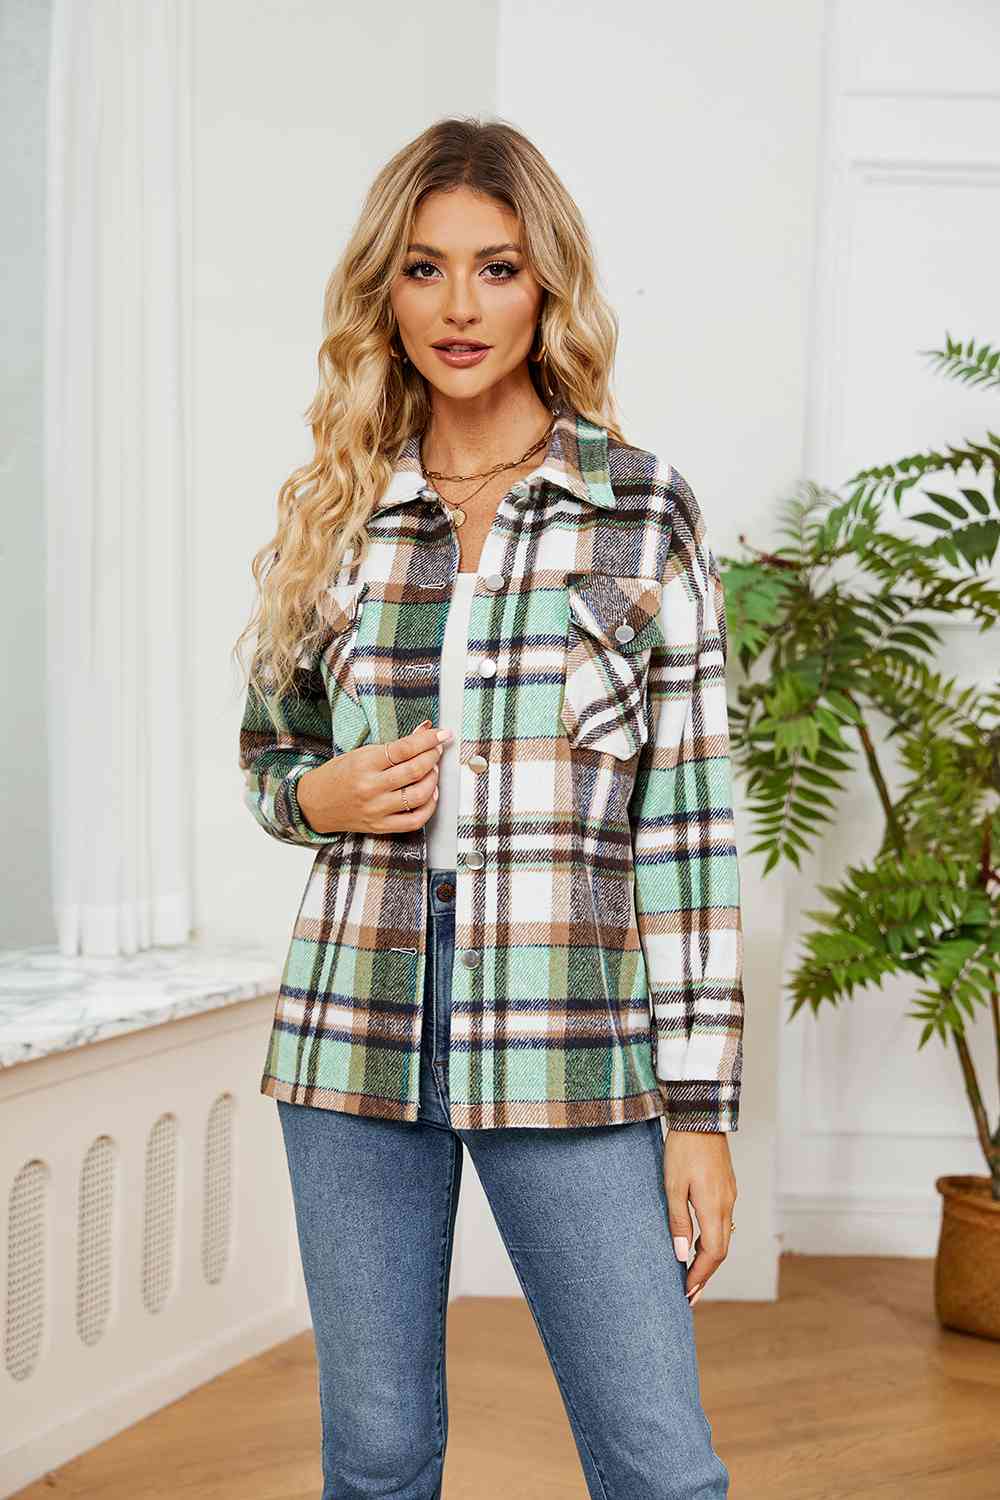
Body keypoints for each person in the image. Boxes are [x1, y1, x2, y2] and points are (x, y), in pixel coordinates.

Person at [234, 115, 743, 1500]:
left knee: (658, 1466)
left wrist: (700, 1113)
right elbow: (272, 761)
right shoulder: (341, 510)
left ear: (546, 288)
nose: (460, 306)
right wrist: (323, 795)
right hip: (355, 1018)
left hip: (566, 1016)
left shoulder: (639, 510)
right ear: (384, 294)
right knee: (376, 1458)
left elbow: (685, 831)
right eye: (425, 268)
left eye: (498, 268)